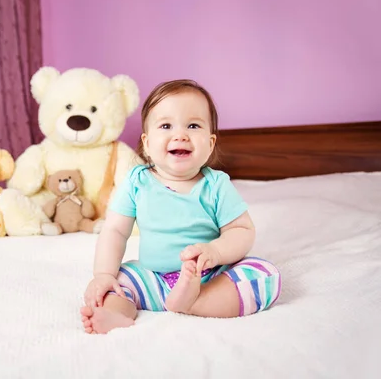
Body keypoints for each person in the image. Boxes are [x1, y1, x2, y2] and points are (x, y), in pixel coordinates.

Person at [80, 79, 281, 334]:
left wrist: (214, 252)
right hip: (152, 277)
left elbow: (242, 230)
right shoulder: (137, 182)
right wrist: (103, 274)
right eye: (166, 125)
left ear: (210, 144)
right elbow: (115, 231)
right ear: (147, 144)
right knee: (117, 283)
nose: (180, 134)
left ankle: (196, 301)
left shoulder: (216, 185)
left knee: (265, 274)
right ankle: (114, 314)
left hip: (207, 278)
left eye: (193, 125)